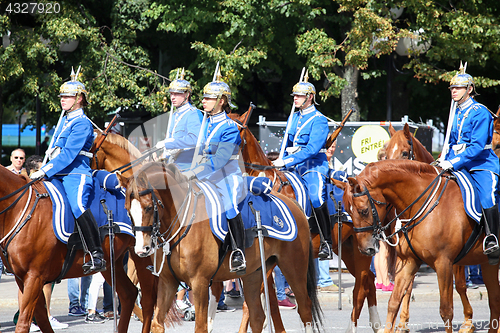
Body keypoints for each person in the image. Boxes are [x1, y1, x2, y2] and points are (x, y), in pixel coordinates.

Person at [30, 67, 106, 274]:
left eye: (68, 96)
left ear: (79, 98)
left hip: (75, 174)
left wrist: (45, 170)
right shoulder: (64, 120)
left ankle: (96, 253)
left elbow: (69, 154)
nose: (63, 99)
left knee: (77, 206)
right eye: (62, 96)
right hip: (57, 174)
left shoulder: (82, 123)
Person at [182, 66, 246, 274]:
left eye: (209, 98)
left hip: (226, 176)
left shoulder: (229, 127)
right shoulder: (205, 123)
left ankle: (238, 252)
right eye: (204, 97)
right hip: (204, 176)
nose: (203, 101)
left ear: (222, 101)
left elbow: (219, 160)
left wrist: (194, 172)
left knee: (229, 206)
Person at [438, 63, 500, 265]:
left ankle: (492, 239)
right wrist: (442, 159)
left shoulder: (479, 112)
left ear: (469, 89)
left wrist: (452, 162)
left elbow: (475, 147)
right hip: (461, 165)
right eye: (452, 89)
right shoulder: (455, 113)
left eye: (458, 88)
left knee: (487, 196)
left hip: (481, 164)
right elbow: (452, 142)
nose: (453, 92)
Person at [273, 70, 332, 260]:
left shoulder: (319, 120)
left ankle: (326, 242)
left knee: (315, 197)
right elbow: (288, 144)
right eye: (294, 96)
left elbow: (312, 150)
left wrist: (287, 160)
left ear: (310, 97)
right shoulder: (294, 118)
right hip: (293, 167)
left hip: (313, 166)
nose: (295, 99)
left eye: (299, 96)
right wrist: (281, 159)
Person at [155, 69, 203, 171]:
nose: (172, 97)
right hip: (173, 163)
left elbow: (194, 140)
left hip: (187, 165)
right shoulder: (175, 115)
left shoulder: (193, 113)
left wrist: (168, 144)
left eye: (177, 94)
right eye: (171, 94)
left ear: (187, 94)